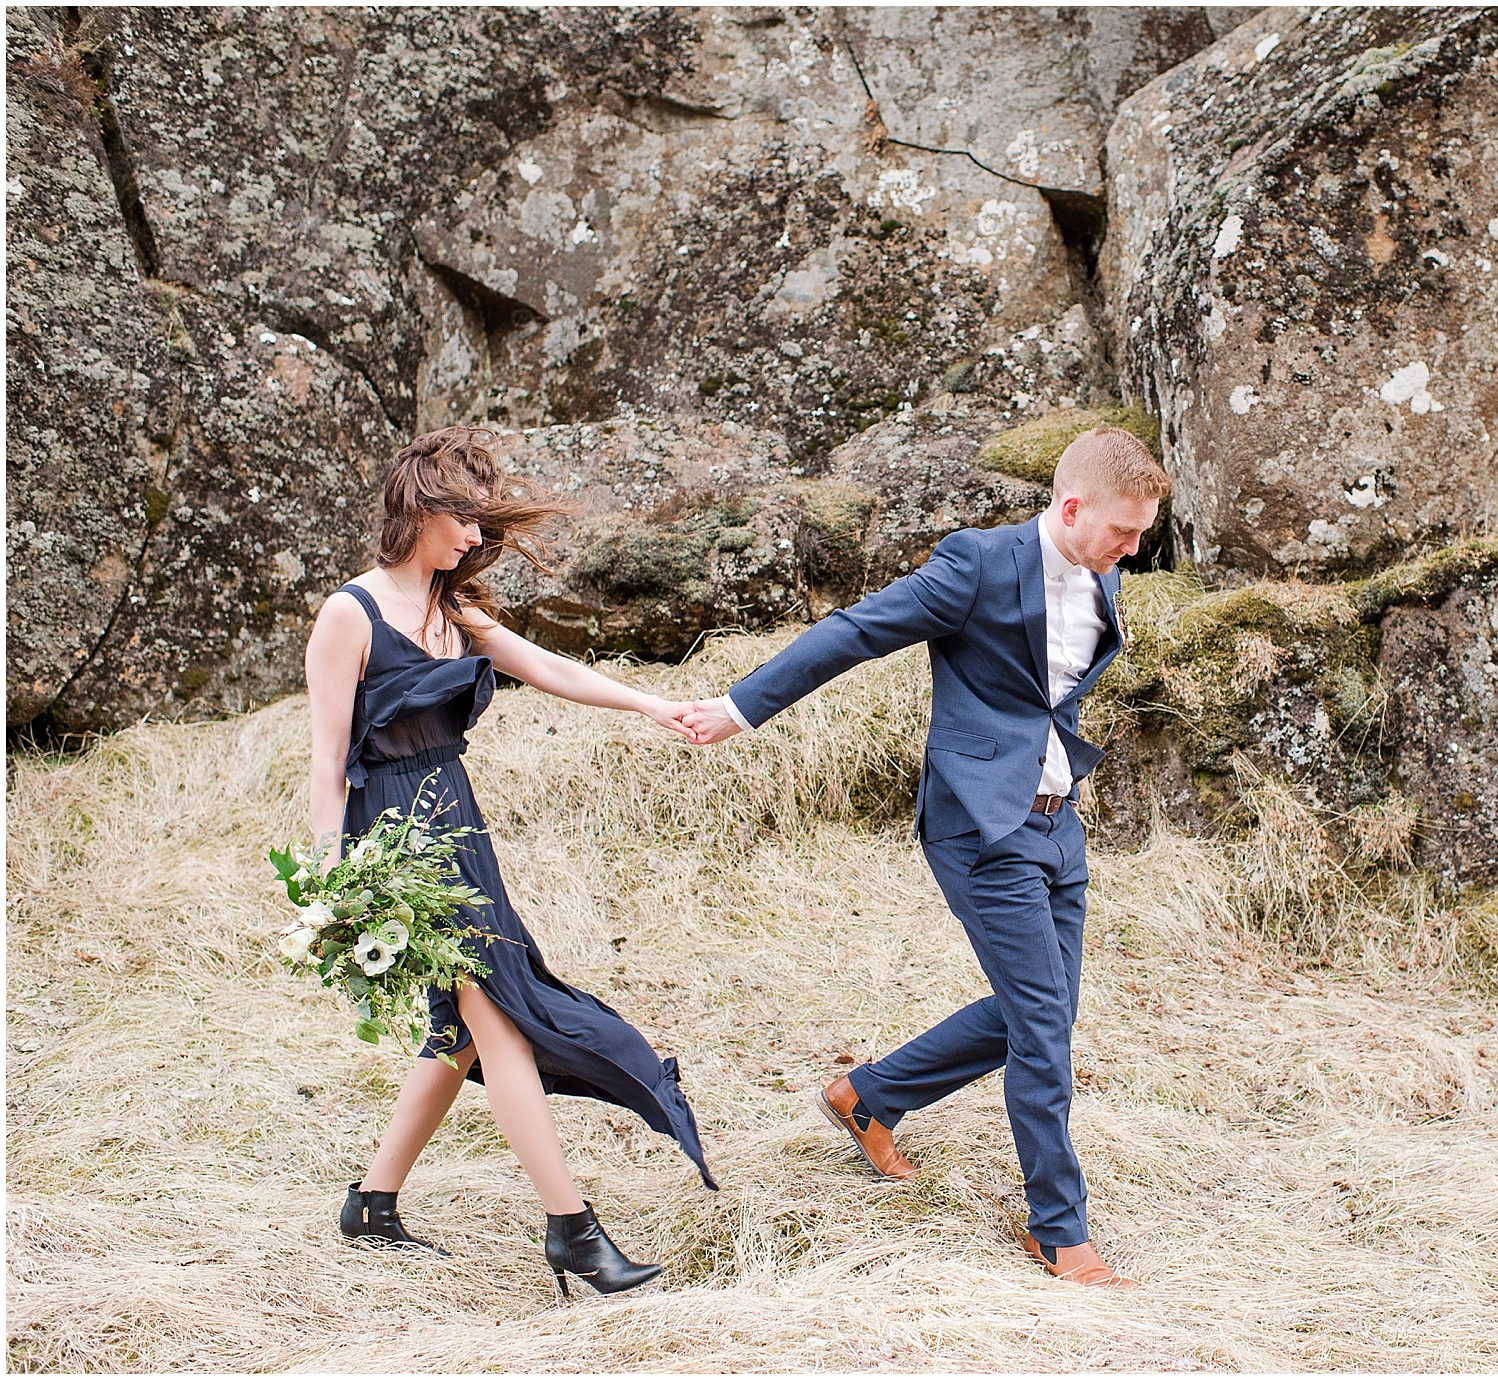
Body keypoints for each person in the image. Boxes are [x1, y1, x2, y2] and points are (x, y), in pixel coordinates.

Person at [678, 425, 1168, 1288]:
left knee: (1041, 1013)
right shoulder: (978, 566)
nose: (1132, 550)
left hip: (1060, 824)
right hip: (983, 828)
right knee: (1044, 1031)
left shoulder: (1104, 572)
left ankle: (871, 1095)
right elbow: (855, 633)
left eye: (1140, 537)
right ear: (1071, 505)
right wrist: (739, 706)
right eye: (1123, 532)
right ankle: (1058, 1230)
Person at [304, 425, 717, 1297]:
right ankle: (572, 1228)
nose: (475, 539)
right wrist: (330, 887)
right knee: (498, 1016)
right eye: (464, 520)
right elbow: (327, 759)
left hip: (456, 821)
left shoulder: (456, 611)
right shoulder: (351, 613)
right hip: (396, 840)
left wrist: (654, 706)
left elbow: (549, 668)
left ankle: (372, 1205)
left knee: (459, 1029)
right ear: (421, 505)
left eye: (483, 525)